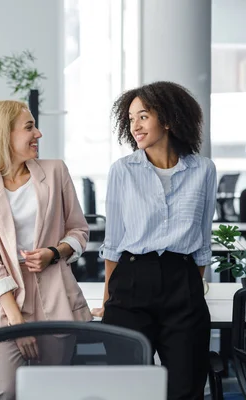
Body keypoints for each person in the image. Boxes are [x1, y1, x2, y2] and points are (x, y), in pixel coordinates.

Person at [92, 81, 216, 400]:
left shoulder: (204, 170)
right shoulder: (122, 171)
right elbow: (114, 243)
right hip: (131, 281)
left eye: (143, 116)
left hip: (183, 282)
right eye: (131, 118)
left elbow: (202, 239)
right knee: (129, 388)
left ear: (169, 118)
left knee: (186, 388)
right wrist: (108, 302)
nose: (135, 125)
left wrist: (190, 286)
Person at [0, 100, 92, 399]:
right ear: (3, 134)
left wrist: (54, 252)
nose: (39, 134)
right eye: (29, 127)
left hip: (56, 297)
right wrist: (16, 323)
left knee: (53, 393)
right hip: (6, 303)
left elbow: (79, 230)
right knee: (8, 391)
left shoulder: (55, 171)